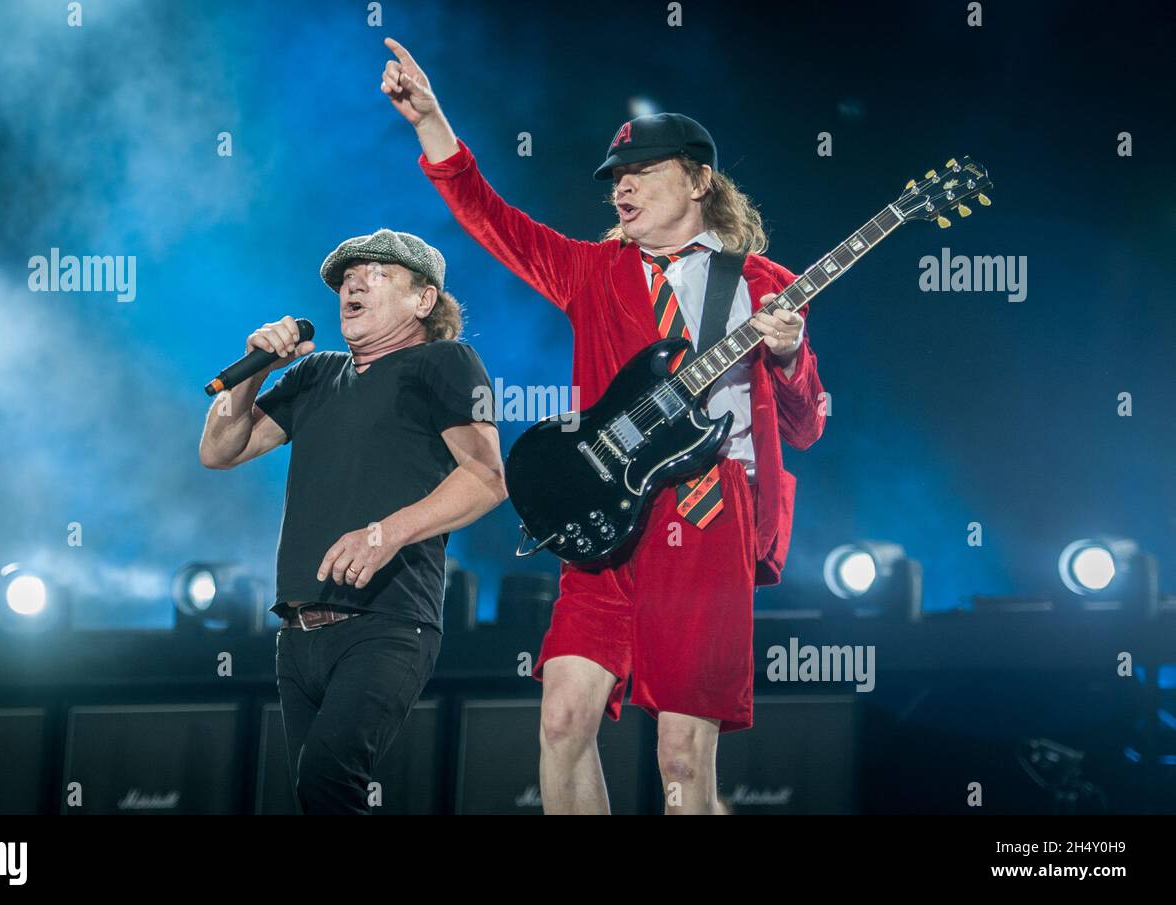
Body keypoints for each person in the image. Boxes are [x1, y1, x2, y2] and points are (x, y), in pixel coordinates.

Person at [380, 39, 826, 814]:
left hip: (709, 513)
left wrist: (788, 357)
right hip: (604, 513)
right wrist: (432, 123)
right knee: (561, 718)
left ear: (697, 179)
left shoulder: (763, 285)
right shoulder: (596, 270)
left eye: (641, 175)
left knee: (683, 760)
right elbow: (494, 221)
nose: (621, 191)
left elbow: (807, 425)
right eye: (615, 180)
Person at [198, 228, 507, 814]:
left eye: (379, 273)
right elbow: (220, 451)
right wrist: (253, 376)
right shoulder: (316, 375)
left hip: (387, 621)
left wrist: (385, 532)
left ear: (424, 300)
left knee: (327, 782)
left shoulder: (444, 361)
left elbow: (487, 478)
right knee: (315, 798)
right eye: (346, 278)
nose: (354, 284)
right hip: (299, 632)